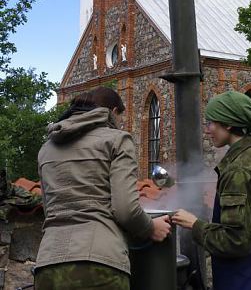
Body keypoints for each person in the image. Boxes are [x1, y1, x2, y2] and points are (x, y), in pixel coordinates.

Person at [35, 87, 171, 290]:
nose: (120, 123)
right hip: (99, 264)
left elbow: (50, 210)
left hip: (48, 264)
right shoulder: (117, 140)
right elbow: (125, 209)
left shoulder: (46, 149)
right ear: (113, 111)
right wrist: (151, 228)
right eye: (120, 117)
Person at [172, 91, 251, 290]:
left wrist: (195, 224)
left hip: (245, 276)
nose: (207, 130)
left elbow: (236, 240)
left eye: (211, 122)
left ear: (228, 124)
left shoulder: (237, 170)